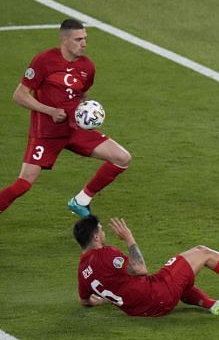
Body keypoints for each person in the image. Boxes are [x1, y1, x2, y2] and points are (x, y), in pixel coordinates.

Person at [0, 19, 131, 217]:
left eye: (85, 39)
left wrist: (87, 111)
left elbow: (82, 94)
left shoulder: (88, 67)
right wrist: (50, 111)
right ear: (64, 40)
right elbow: (19, 95)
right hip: (46, 134)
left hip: (74, 129)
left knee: (122, 158)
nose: (84, 43)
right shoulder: (44, 61)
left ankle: (81, 200)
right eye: (78, 39)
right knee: (24, 183)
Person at [74, 215, 219, 316]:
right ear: (96, 237)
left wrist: (106, 299)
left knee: (181, 278)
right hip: (157, 295)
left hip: (138, 310)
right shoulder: (106, 254)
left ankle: (211, 304)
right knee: (202, 252)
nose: (104, 232)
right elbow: (140, 269)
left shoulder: (82, 270)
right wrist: (129, 238)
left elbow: (85, 301)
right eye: (101, 230)